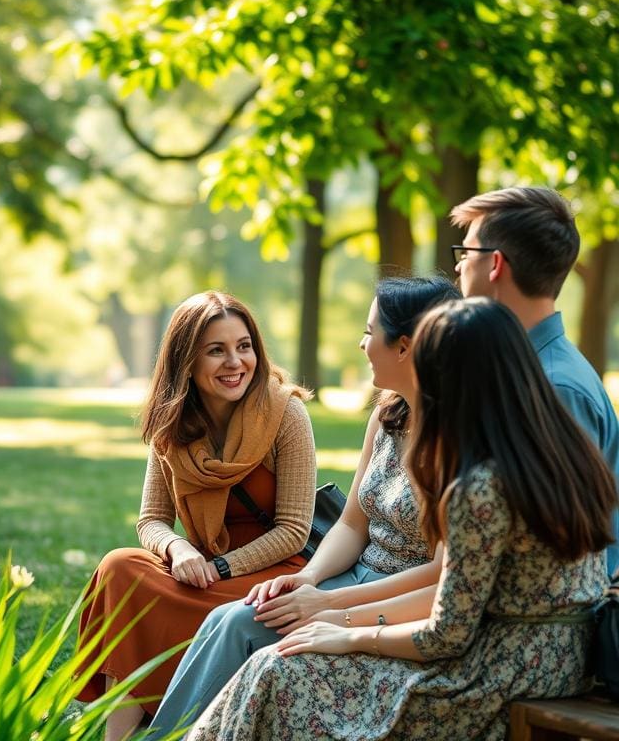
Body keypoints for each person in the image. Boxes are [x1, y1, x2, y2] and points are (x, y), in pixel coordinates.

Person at [187, 297, 617, 741]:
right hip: (562, 659)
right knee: (272, 655)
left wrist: (347, 632)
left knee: (279, 671)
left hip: (497, 673)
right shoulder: (559, 448)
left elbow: (446, 634)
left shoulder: (480, 485)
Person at [148, 276, 460, 738]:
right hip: (352, 574)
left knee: (248, 633)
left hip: (397, 596)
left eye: (371, 331)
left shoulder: (459, 436)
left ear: (405, 347)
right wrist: (308, 578)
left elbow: (442, 573)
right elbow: (353, 525)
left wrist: (329, 603)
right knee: (230, 619)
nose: (361, 342)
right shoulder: (389, 413)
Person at [75, 291, 317, 741]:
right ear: (186, 359)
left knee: (167, 604)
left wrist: (220, 566)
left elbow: (294, 530)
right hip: (200, 570)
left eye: (243, 346)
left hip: (268, 575)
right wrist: (178, 547)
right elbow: (151, 519)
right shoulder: (172, 423)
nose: (235, 362)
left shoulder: (286, 413)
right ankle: (118, 735)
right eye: (216, 350)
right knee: (119, 568)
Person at [451, 185, 619, 574]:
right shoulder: (525, 372)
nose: (458, 266)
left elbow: (551, 560)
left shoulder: (557, 388)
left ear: (494, 264)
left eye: (466, 252)